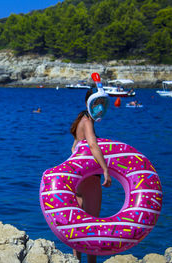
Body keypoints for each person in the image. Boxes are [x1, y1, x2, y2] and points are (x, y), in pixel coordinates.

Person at [70, 88, 112, 263]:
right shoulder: (87, 121)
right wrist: (105, 170)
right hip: (90, 179)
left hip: (79, 178)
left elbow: (74, 148)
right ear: (89, 103)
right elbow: (93, 145)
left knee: (80, 222)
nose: (100, 107)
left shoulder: (81, 119)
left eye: (102, 103)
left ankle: (76, 260)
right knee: (92, 223)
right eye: (97, 103)